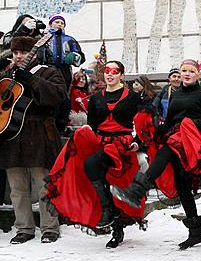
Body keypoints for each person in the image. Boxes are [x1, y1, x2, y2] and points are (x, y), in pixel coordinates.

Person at [113, 59, 201, 250]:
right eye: (184, 70)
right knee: (182, 185)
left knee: (165, 152)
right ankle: (196, 231)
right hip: (176, 136)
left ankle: (137, 190)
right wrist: (152, 133)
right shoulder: (175, 95)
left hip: (192, 141)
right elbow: (168, 121)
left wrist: (189, 124)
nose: (187, 74)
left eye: (191, 71)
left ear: (197, 75)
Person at [46, 60, 144, 248]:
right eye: (107, 70)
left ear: (122, 75)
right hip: (103, 143)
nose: (110, 74)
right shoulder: (97, 98)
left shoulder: (132, 97)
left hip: (123, 146)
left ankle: (115, 223)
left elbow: (141, 122)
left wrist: (137, 143)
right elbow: (93, 124)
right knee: (94, 169)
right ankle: (108, 211)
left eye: (115, 71)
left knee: (116, 183)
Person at [0, 36, 67, 244]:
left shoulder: (48, 72)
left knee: (43, 183)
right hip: (12, 133)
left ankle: (49, 227)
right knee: (17, 186)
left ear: (34, 53)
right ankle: (24, 228)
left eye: (23, 52)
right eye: (15, 53)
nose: (18, 56)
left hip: (39, 131)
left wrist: (30, 79)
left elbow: (58, 95)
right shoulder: (8, 76)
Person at [48, 15, 85, 132]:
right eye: (57, 22)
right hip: (49, 69)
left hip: (64, 70)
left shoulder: (70, 39)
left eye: (62, 23)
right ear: (50, 24)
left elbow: (80, 55)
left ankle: (61, 125)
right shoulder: (45, 38)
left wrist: (74, 56)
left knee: (64, 97)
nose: (59, 24)